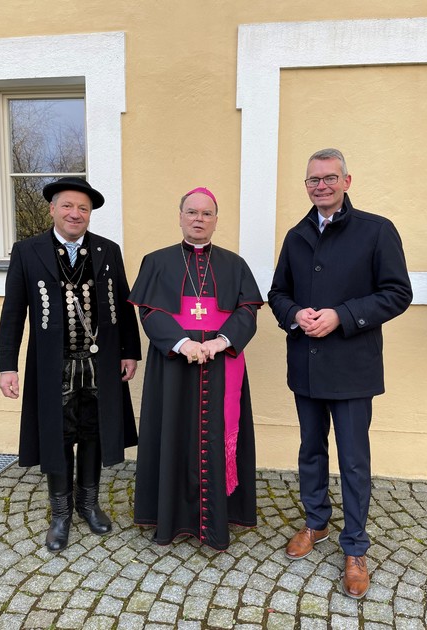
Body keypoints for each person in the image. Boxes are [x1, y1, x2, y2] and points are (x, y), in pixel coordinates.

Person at [268, 149, 412, 598]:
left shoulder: (377, 230)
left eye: (330, 178)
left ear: (347, 181)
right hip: (307, 366)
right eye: (313, 179)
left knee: (353, 460)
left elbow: (397, 293)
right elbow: (278, 293)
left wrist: (341, 316)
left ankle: (355, 546)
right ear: (306, 184)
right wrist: (295, 315)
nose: (321, 186)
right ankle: (316, 523)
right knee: (310, 450)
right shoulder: (295, 235)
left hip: (352, 368)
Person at [0, 177, 141, 553]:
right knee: (58, 435)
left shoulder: (107, 250)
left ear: (89, 214)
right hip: (52, 366)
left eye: (83, 208)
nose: (75, 214)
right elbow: (13, 312)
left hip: (99, 364)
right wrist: (6, 365)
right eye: (68, 206)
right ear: (52, 209)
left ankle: (88, 504)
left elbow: (124, 305)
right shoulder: (27, 251)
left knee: (93, 432)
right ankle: (60, 514)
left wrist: (130, 351)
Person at [129, 187, 263, 550]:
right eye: (192, 212)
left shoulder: (234, 265)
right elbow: (151, 312)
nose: (198, 220)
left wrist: (221, 341)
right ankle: (170, 518)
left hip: (222, 367)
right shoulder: (156, 261)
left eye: (206, 214)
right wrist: (182, 343)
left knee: (218, 434)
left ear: (216, 220)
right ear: (180, 216)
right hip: (173, 367)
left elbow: (247, 310)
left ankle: (220, 516)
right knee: (172, 431)